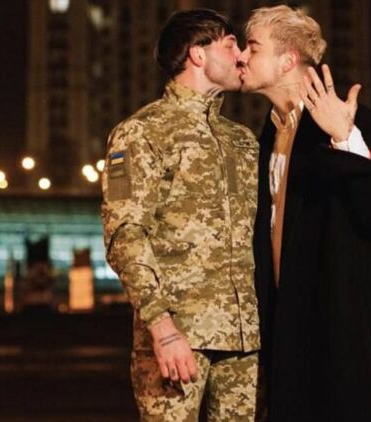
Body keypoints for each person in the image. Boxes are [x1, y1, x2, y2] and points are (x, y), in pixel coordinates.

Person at [237, 5, 371, 421]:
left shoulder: (356, 120)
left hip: (342, 344)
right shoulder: (271, 135)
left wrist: (345, 137)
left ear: (287, 60)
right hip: (290, 338)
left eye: (253, 47)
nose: (241, 56)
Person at [101, 9, 260, 422]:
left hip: (243, 342)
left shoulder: (242, 141)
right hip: (178, 336)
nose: (242, 55)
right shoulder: (142, 131)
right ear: (198, 54)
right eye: (231, 45)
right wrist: (162, 327)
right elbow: (125, 235)